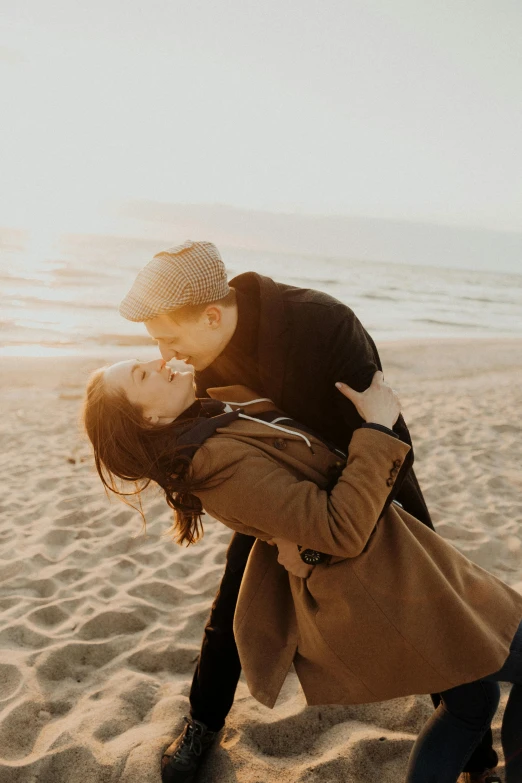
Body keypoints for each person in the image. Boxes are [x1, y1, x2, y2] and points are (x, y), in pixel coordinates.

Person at [117, 240, 501, 783]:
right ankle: (203, 722)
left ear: (210, 315)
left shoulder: (323, 325)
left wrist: (342, 524)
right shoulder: (196, 359)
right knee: (229, 607)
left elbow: (386, 425)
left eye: (167, 337)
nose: (164, 354)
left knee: (433, 603)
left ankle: (478, 758)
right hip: (274, 491)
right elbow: (187, 444)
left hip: (368, 474)